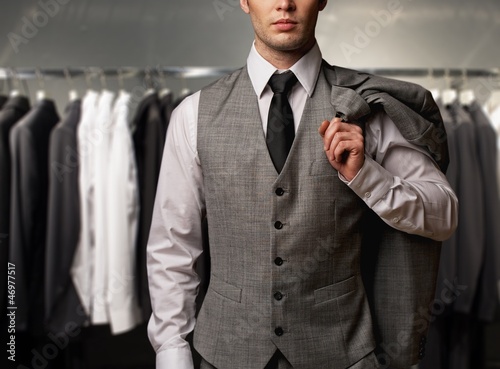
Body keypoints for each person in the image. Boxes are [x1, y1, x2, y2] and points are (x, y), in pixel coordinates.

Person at [146, 0, 458, 368]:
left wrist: (366, 176)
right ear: (244, 1)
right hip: (224, 353)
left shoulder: (365, 109)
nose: (284, 3)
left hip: (343, 354)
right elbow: (173, 248)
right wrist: (173, 354)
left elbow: (444, 215)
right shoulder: (193, 115)